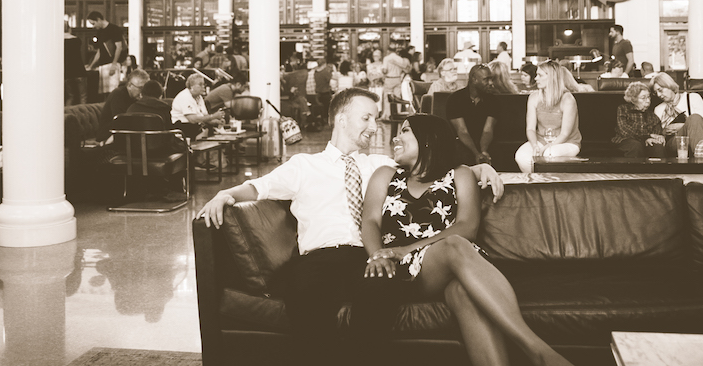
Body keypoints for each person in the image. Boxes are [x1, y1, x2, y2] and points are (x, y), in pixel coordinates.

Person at [197, 88, 503, 366]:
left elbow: (432, 164)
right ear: (341, 119)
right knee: (305, 295)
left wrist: (479, 168)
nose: (374, 126)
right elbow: (257, 188)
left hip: (368, 255)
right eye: (366, 118)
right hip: (319, 257)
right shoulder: (304, 165)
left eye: (375, 119)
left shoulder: (381, 165)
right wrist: (225, 194)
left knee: (380, 293)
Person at [360, 114, 573, 366]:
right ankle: (538, 351)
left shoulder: (459, 174)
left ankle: (534, 354)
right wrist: (377, 255)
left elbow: (467, 227)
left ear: (428, 139)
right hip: (408, 269)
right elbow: (370, 221)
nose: (395, 138)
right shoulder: (385, 175)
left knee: (463, 291)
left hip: (457, 261)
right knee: (454, 245)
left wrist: (405, 248)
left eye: (405, 131)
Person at [514, 60, 582, 174]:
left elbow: (565, 134)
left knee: (549, 154)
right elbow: (530, 129)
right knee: (521, 156)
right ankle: (538, 181)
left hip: (567, 142)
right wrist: (535, 145)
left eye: (540, 75)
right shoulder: (534, 97)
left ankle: (547, 182)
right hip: (541, 140)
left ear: (551, 77)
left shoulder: (567, 99)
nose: (536, 78)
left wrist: (546, 147)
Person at [650, 73, 703, 158]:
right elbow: (658, 134)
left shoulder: (693, 98)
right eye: (656, 92)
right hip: (676, 141)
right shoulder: (658, 109)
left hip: (702, 136)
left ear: (669, 85)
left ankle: (701, 158)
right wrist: (664, 132)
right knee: (696, 121)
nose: (659, 95)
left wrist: (684, 126)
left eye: (660, 90)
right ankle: (702, 156)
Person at [446, 64, 499, 165]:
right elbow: (462, 131)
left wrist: (483, 151)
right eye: (486, 79)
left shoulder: (493, 100)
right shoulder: (455, 99)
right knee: (462, 153)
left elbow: (488, 130)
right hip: (462, 142)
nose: (491, 83)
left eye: (491, 79)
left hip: (486, 142)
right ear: (474, 80)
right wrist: (476, 153)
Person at [96, 69, 150, 143]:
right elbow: (121, 123)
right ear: (129, 85)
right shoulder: (118, 95)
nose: (143, 92)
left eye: (146, 89)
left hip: (125, 135)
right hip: (109, 136)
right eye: (140, 88)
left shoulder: (136, 98)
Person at [612, 82, 664, 157]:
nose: (648, 101)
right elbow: (625, 130)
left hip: (646, 141)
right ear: (633, 99)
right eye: (643, 98)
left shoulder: (652, 115)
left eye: (648, 97)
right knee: (635, 145)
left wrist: (656, 138)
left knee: (657, 146)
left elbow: (656, 132)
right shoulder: (623, 109)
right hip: (625, 140)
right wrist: (646, 137)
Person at [86, 11, 126, 96]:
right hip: (103, 65)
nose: (94, 26)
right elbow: (100, 51)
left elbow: (119, 47)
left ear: (98, 19)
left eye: (93, 23)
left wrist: (114, 64)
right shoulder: (100, 32)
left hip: (111, 64)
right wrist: (91, 66)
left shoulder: (114, 29)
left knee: (113, 92)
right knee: (104, 93)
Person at [64, 21, 88, 106]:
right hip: (79, 70)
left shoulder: (59, 42)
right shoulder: (77, 40)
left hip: (67, 72)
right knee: (83, 96)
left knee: (70, 97)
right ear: (69, 28)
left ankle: (67, 112)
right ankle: (83, 113)